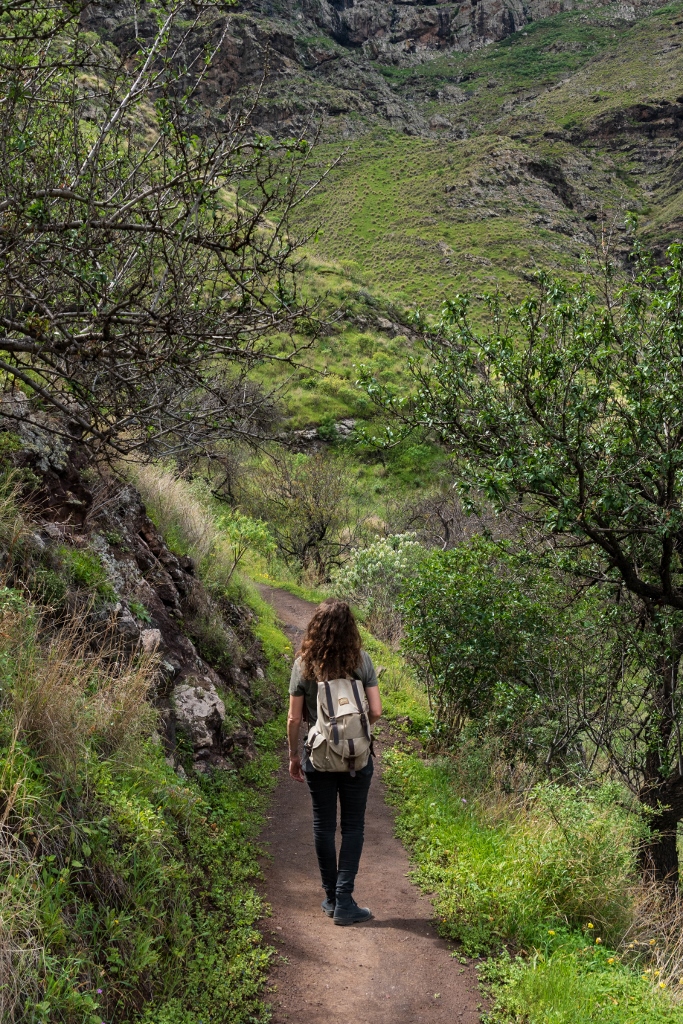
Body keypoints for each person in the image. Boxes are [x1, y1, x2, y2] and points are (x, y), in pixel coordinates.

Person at [287, 598, 383, 926]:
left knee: (323, 827)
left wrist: (293, 756)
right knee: (353, 826)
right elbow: (377, 711)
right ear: (350, 629)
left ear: (316, 627)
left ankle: (330, 897)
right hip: (357, 758)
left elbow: (293, 719)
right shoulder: (362, 661)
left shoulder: (304, 664)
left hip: (319, 757)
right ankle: (345, 901)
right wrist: (357, 734)